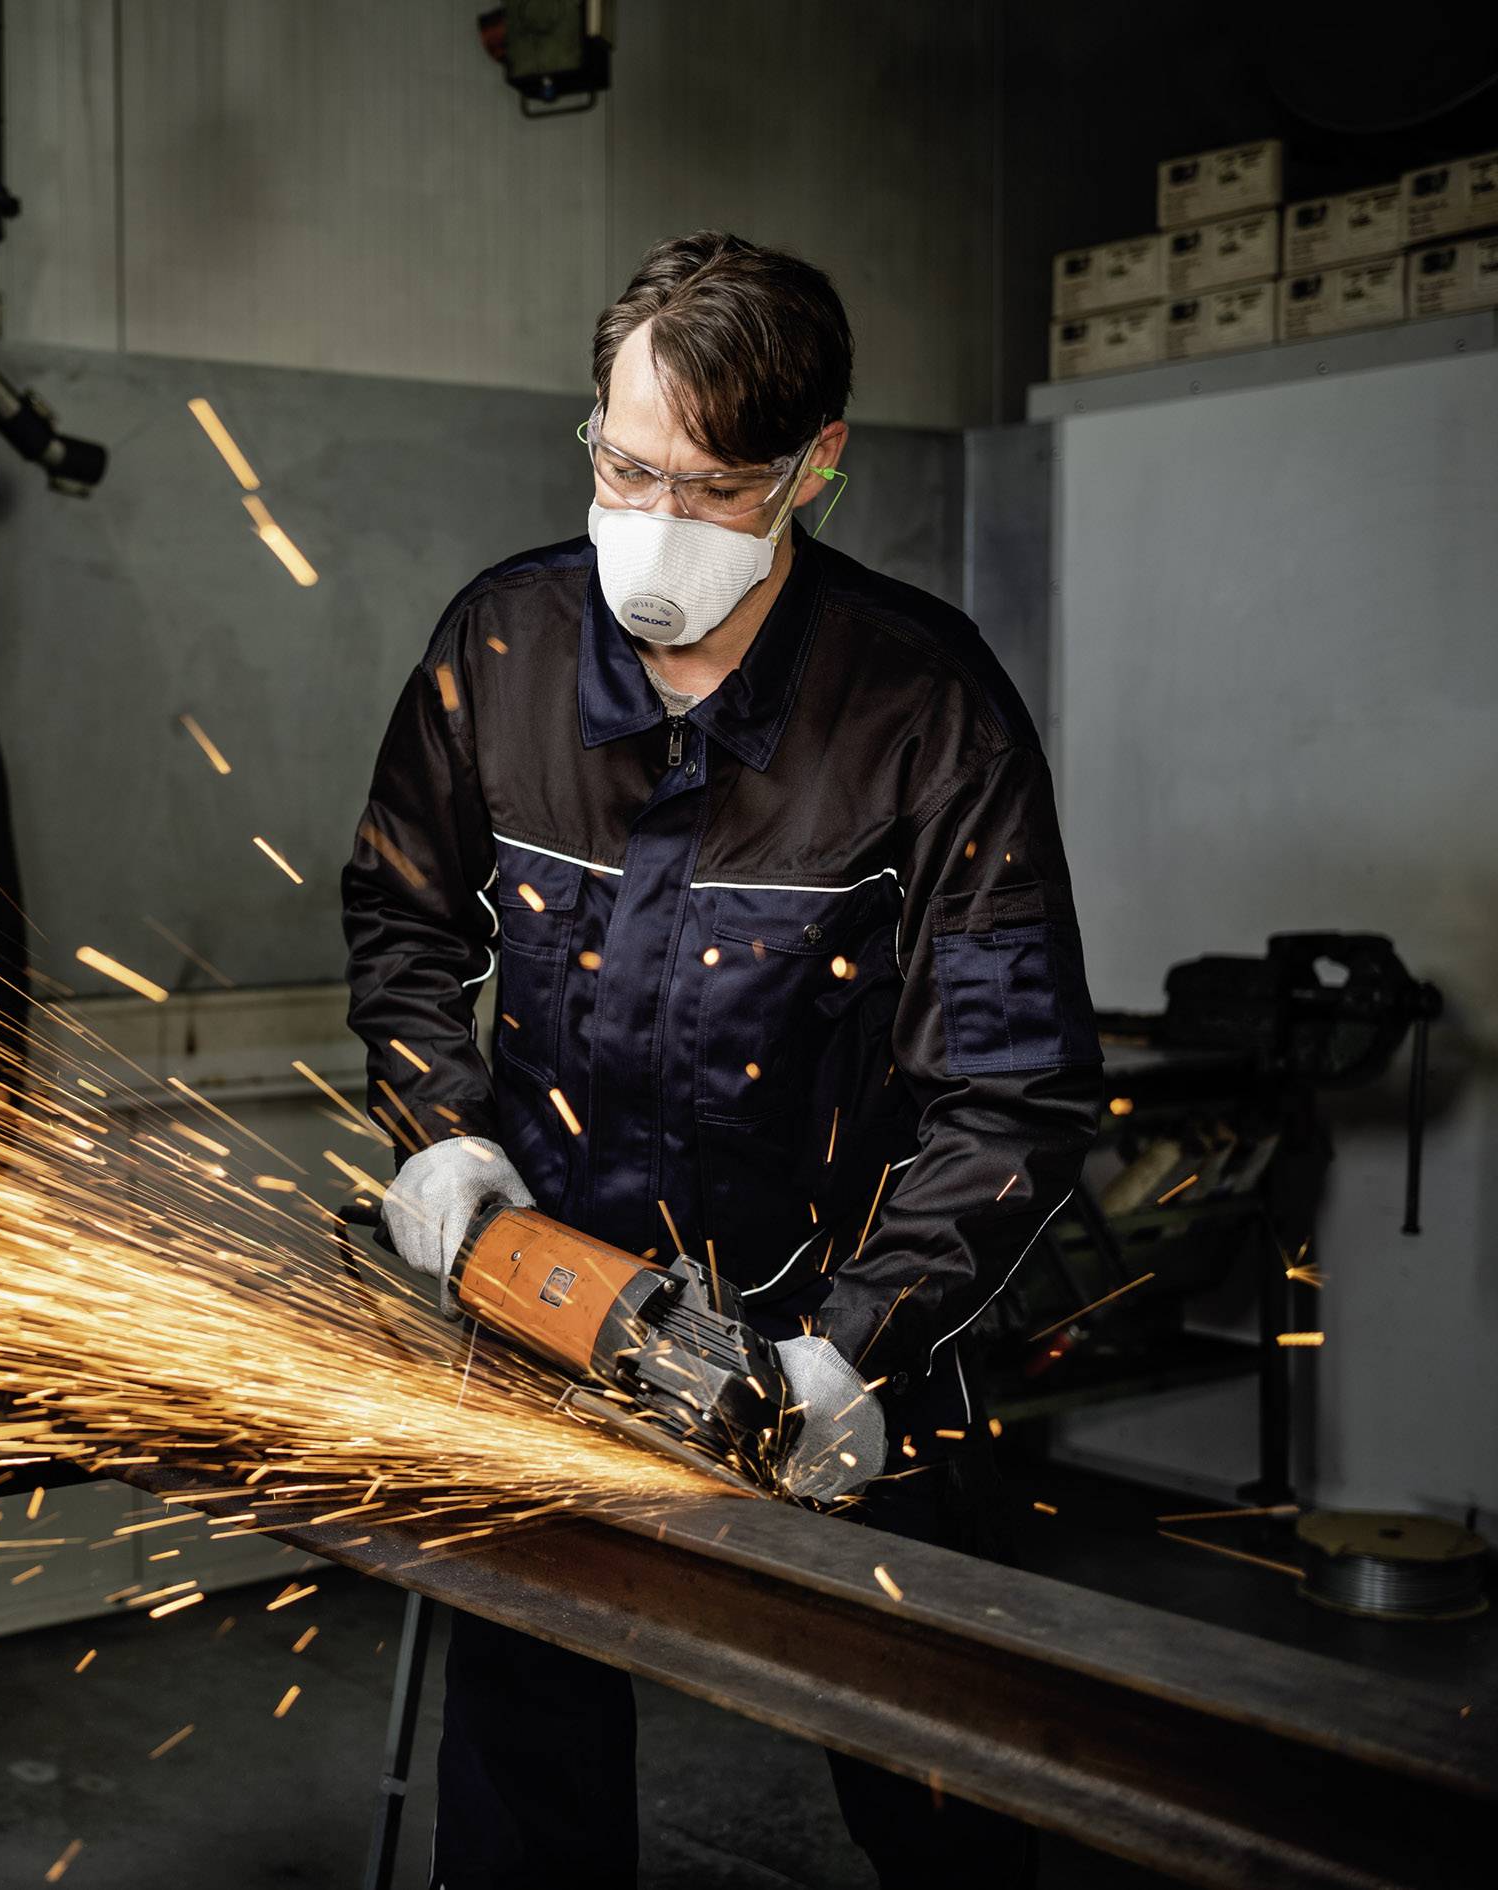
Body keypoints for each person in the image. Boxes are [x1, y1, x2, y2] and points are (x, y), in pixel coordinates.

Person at [339, 231, 1102, 1888]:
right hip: (557, 1324)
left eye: (712, 482)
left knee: (946, 1787)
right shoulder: (507, 645)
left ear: (815, 465)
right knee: (528, 1786)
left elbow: (1016, 1085)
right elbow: (402, 920)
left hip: (835, 1355)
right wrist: (443, 1133)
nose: (656, 520)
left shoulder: (925, 707)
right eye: (627, 464)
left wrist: (858, 1350)